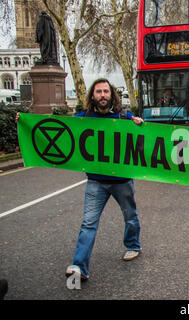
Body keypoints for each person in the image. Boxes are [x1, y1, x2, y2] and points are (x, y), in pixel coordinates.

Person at [65, 78, 144, 281]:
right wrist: (24, 120)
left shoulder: (124, 116)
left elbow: (142, 137)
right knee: (88, 223)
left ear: (112, 95)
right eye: (98, 92)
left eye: (106, 92)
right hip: (96, 182)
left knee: (130, 217)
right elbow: (62, 128)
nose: (102, 95)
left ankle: (133, 245)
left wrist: (139, 125)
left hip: (122, 181)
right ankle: (79, 266)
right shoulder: (83, 118)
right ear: (92, 95)